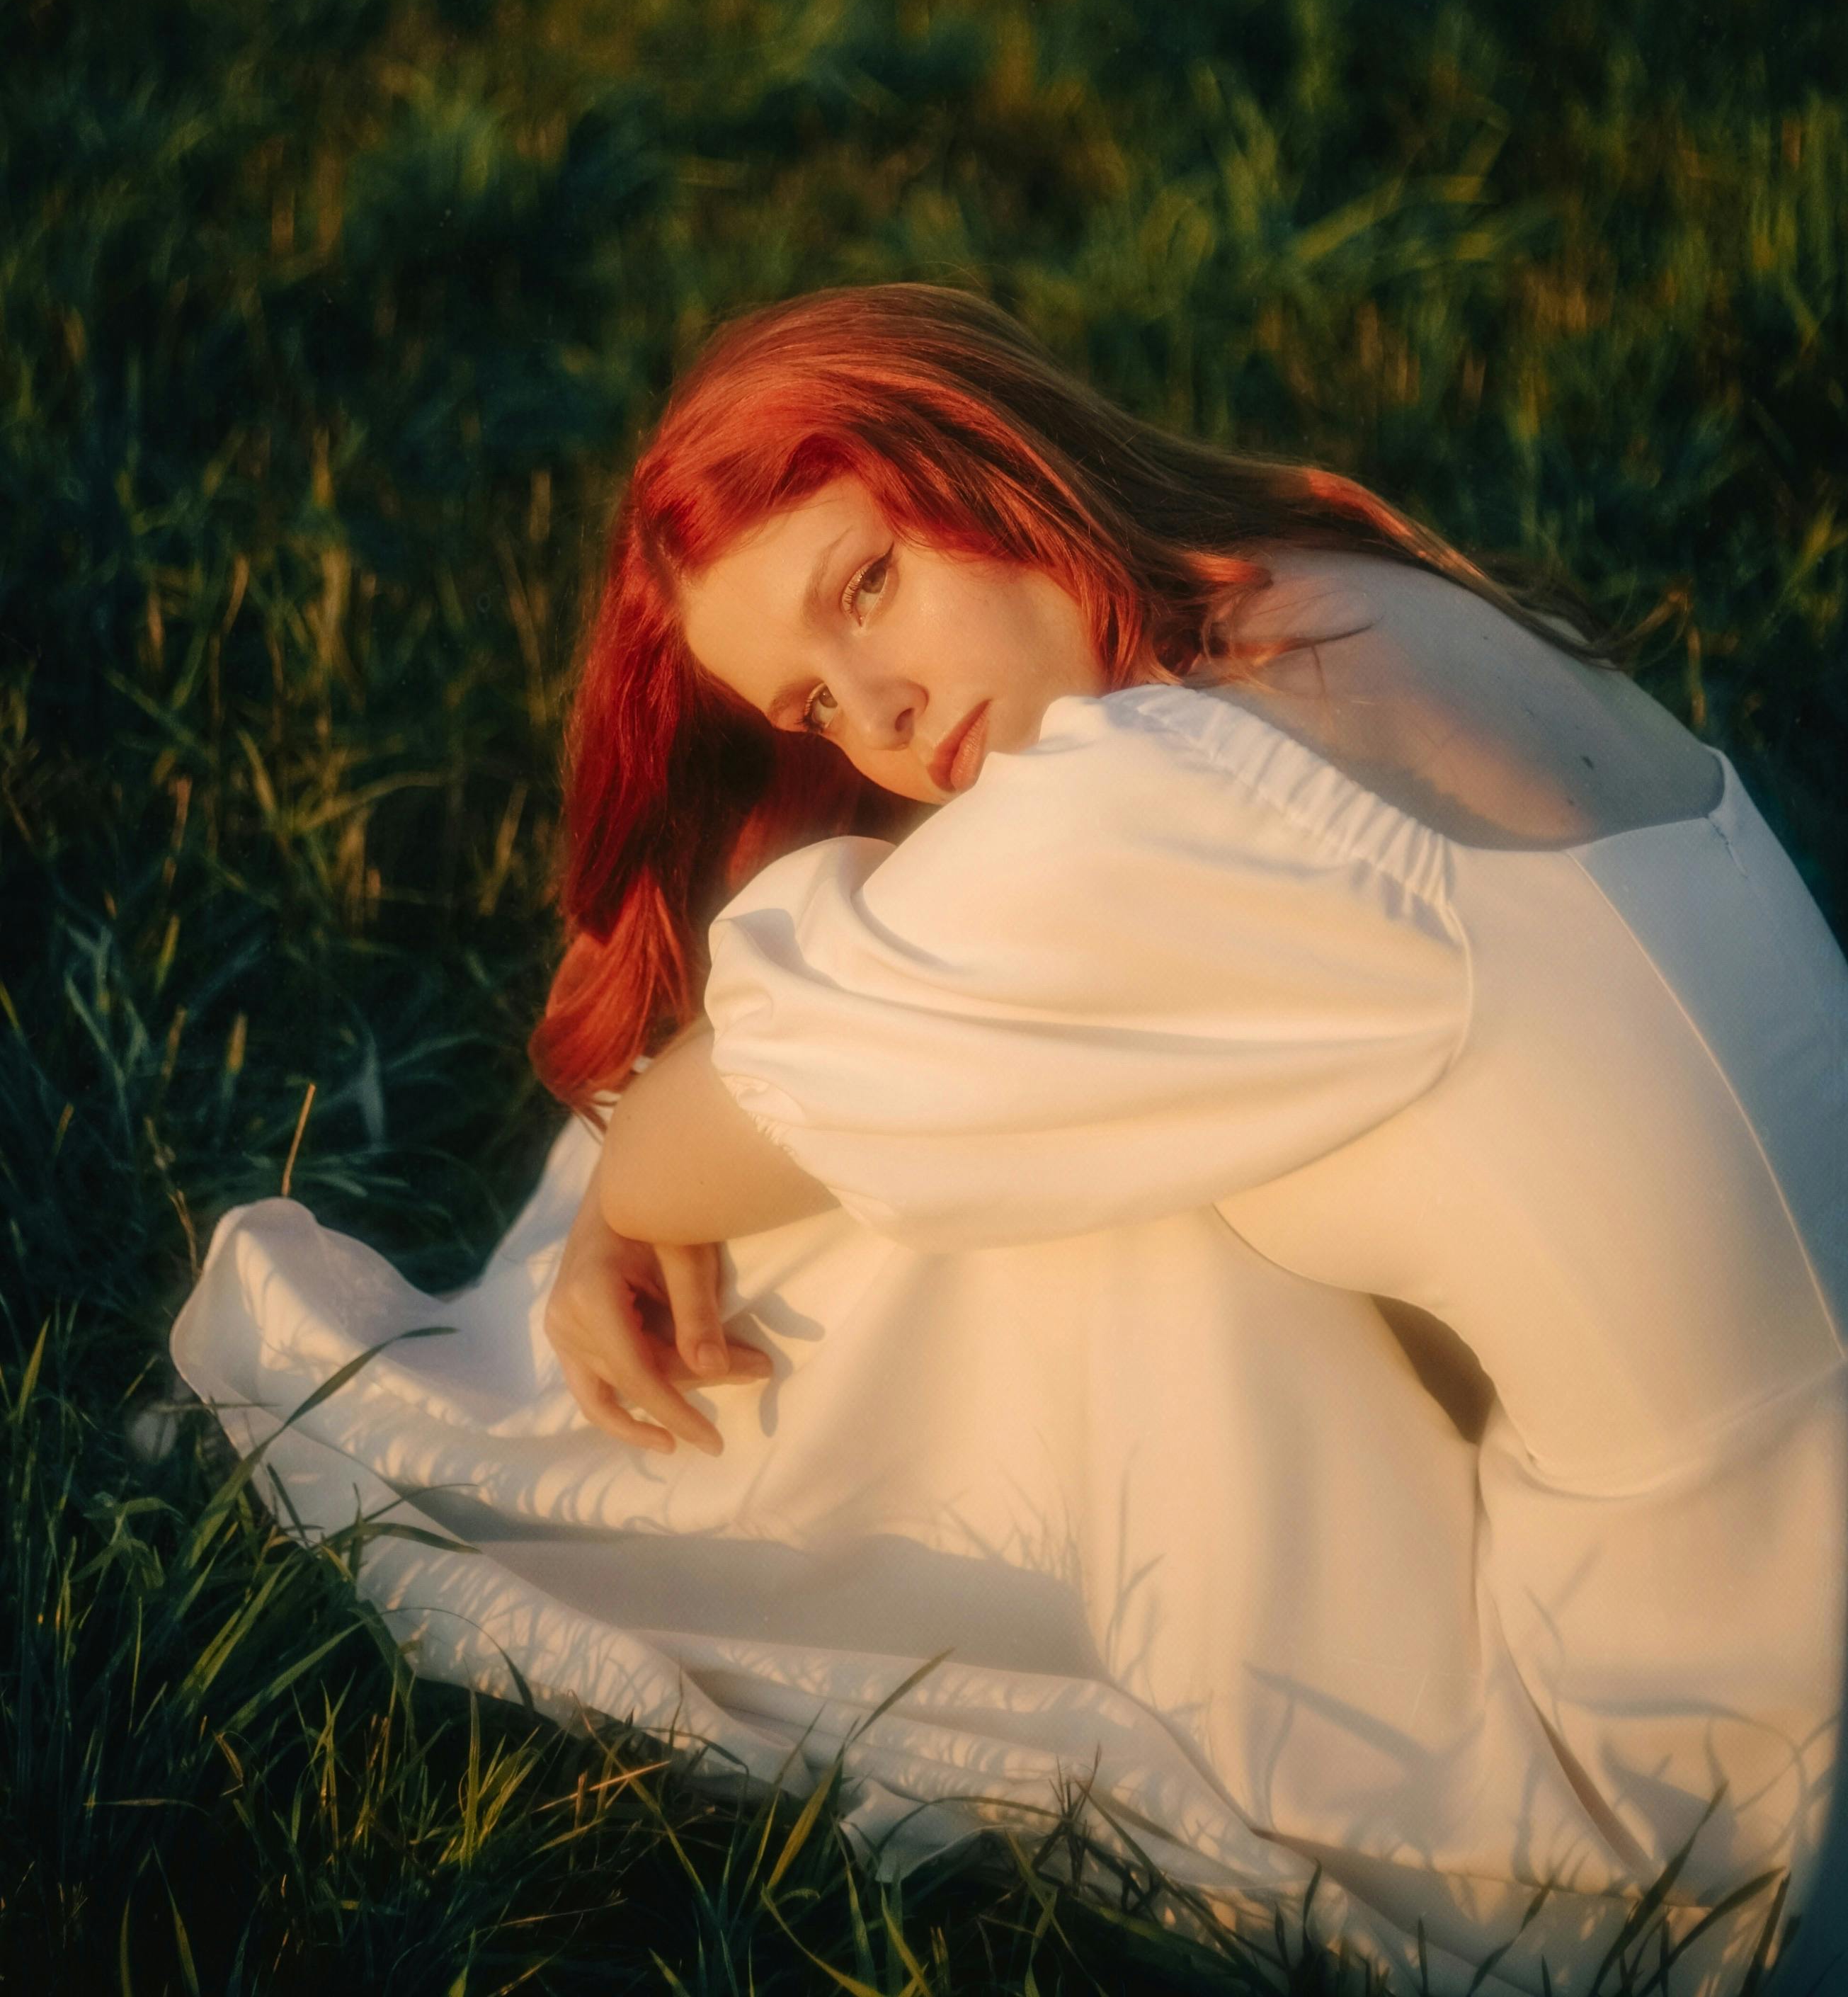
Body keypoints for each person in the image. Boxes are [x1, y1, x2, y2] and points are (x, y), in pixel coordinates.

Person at [171, 283, 1848, 1995]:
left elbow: (690, 1139)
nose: (881, 719)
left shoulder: (1184, 812)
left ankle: (661, 1470)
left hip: (1703, 1809)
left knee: (989, 1177)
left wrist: (634, 1191)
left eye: (869, 587)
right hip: (1785, 1597)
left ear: (984, 455)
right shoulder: (1347, 588)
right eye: (811, 710)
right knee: (1004, 1110)